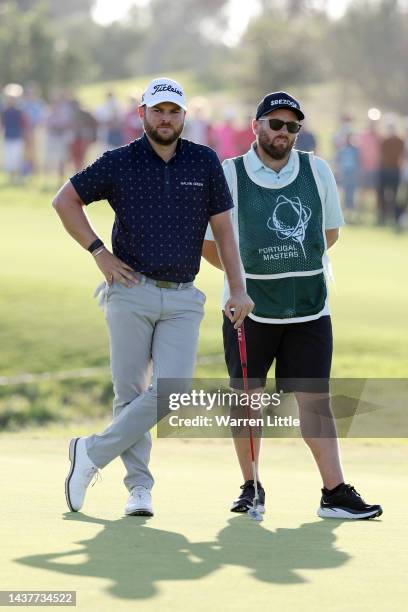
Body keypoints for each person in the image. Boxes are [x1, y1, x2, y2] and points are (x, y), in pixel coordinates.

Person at [53, 77, 253, 517]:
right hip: (129, 290)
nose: (166, 119)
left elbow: (223, 231)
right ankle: (138, 489)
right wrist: (99, 253)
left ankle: (90, 453)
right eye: (158, 110)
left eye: (174, 111)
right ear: (142, 113)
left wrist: (238, 287)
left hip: (183, 297)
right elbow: (65, 201)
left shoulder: (203, 161)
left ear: (184, 116)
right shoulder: (118, 162)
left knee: (173, 389)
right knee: (129, 393)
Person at [203, 91, 382, 520]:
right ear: (256, 126)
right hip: (249, 309)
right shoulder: (229, 174)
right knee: (247, 399)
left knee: (315, 401)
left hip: (309, 308)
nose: (284, 133)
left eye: (292, 126)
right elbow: (211, 246)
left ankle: (334, 493)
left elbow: (329, 234)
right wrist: (241, 282)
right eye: (276, 124)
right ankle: (251, 488)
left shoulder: (317, 169)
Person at [377, 123, 405, 225]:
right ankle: (382, 217)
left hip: (395, 171)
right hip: (385, 170)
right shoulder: (384, 141)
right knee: (382, 194)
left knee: (394, 195)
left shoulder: (400, 141)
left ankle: (394, 217)